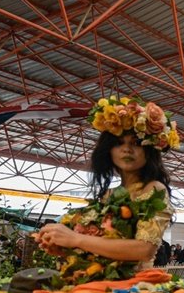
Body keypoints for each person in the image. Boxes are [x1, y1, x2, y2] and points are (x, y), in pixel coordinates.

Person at [37, 96, 175, 272]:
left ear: (149, 151)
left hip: (135, 288)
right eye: (119, 144)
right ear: (108, 151)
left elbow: (145, 249)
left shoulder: (154, 189)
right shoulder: (107, 195)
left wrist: (75, 239)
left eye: (136, 144)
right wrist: (63, 247)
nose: (126, 149)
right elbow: (98, 246)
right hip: (100, 281)